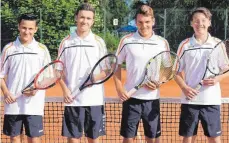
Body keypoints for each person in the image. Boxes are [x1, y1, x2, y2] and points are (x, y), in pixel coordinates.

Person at [114, 3, 170, 143]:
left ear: (153, 21)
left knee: (152, 138)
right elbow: (116, 65)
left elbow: (167, 70)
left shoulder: (162, 43)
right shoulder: (126, 41)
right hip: (130, 99)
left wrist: (159, 82)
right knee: (128, 138)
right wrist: (119, 88)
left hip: (152, 99)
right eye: (140, 22)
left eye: (147, 22)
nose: (144, 25)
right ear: (135, 22)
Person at [175, 7, 229, 143]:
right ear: (192, 23)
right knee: (188, 138)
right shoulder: (185, 45)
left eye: (203, 20)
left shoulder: (217, 44)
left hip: (211, 100)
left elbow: (227, 69)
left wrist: (217, 79)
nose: (200, 24)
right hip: (190, 101)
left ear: (209, 22)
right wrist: (184, 88)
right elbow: (175, 71)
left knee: (215, 139)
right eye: (196, 21)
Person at [57, 2, 107, 143]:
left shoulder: (99, 42)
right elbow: (57, 71)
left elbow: (107, 70)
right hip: (73, 100)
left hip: (94, 100)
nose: (84, 21)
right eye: (82, 17)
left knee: (93, 139)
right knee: (73, 140)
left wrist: (94, 78)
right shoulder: (66, 43)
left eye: (88, 18)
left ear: (93, 21)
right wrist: (65, 90)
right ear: (76, 18)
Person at [0, 13, 51, 143]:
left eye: (30, 28)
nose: (26, 31)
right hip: (13, 105)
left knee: (34, 139)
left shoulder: (42, 49)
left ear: (35, 29)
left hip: (34, 105)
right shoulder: (9, 49)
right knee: (15, 138)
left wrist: (36, 88)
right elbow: (0, 75)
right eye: (24, 27)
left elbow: (49, 77)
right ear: (18, 27)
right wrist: (6, 93)